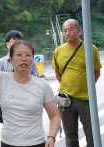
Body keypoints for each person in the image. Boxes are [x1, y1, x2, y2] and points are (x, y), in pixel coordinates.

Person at [52, 19, 102, 147]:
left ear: (79, 30)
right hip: (66, 101)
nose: (67, 33)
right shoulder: (58, 51)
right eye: (64, 30)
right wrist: (67, 87)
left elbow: (96, 72)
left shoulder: (91, 49)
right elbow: (58, 73)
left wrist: (87, 88)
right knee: (70, 137)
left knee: (92, 135)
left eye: (71, 29)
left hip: (86, 100)